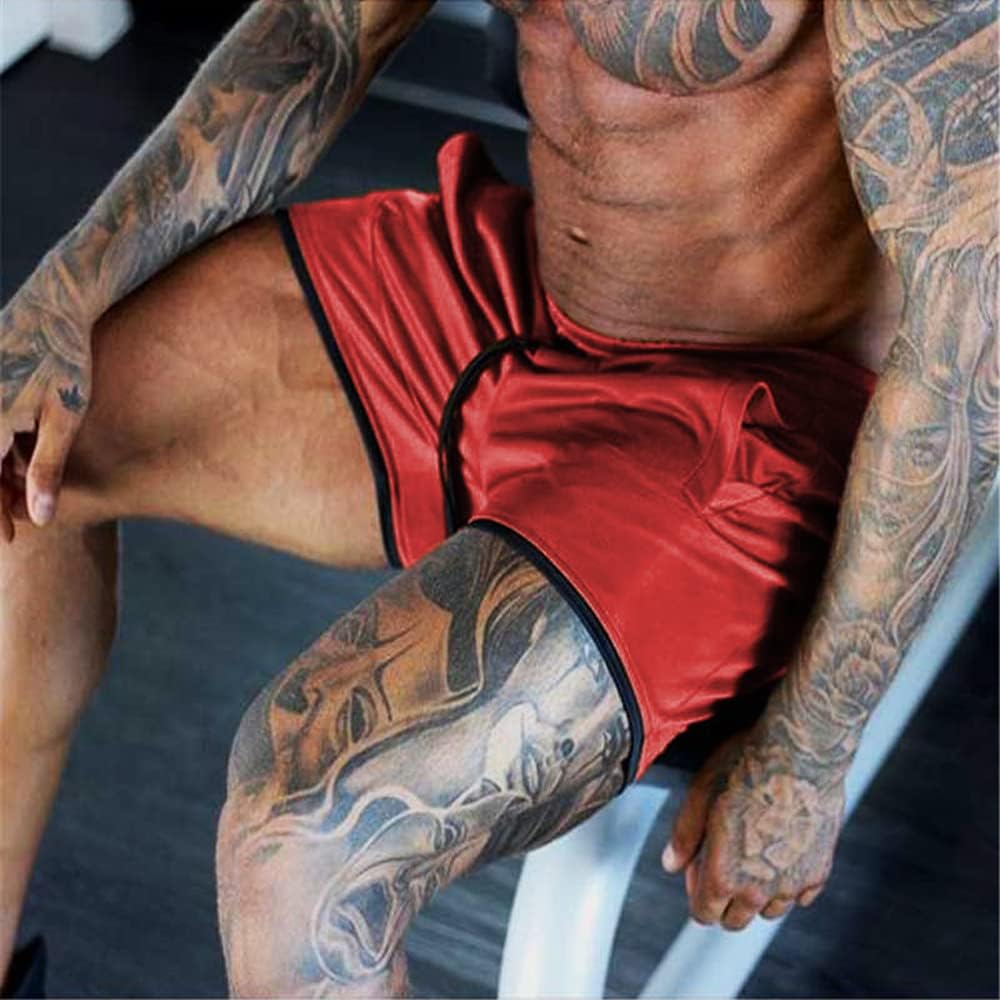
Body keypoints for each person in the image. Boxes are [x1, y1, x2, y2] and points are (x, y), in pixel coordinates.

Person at [1, 0, 995, 995]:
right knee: (21, 431)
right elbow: (321, 32)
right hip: (523, 303)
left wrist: (810, 750)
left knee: (310, 836)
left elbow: (962, 342)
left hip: (756, 422)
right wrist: (65, 291)